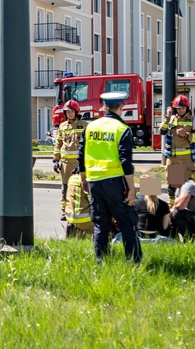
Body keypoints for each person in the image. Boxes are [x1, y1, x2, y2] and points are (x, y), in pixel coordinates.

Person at [79, 91, 142, 263]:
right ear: (121, 107)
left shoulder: (90, 127)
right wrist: (131, 187)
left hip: (94, 182)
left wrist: (84, 181)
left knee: (101, 223)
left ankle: (101, 260)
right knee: (127, 222)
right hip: (115, 182)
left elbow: (81, 156)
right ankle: (133, 261)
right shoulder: (123, 130)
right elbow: (125, 161)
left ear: (104, 107)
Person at [160, 95, 195, 206]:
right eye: (178, 108)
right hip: (174, 159)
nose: (180, 110)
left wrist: (186, 135)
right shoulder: (171, 119)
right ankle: (172, 208)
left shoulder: (194, 120)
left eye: (183, 108)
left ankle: (190, 206)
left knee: (190, 185)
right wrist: (167, 117)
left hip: (187, 159)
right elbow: (162, 131)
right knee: (172, 185)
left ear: (187, 107)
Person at [53, 100, 87, 220]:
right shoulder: (62, 126)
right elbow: (58, 144)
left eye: (72, 111)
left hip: (79, 164)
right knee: (65, 188)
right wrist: (55, 160)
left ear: (76, 112)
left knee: (81, 188)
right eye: (68, 112)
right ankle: (64, 211)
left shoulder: (84, 125)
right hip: (66, 164)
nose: (70, 114)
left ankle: (81, 210)